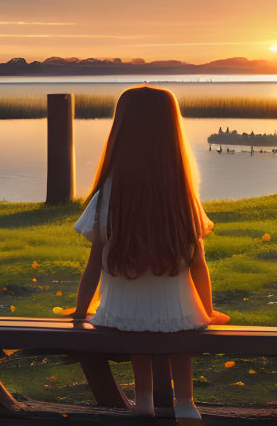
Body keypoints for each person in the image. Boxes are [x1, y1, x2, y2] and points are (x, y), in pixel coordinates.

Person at [71, 85, 227, 425]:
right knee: (178, 336)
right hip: (180, 315)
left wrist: (81, 311)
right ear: (171, 130)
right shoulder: (180, 196)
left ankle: (143, 402)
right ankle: (185, 403)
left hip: (121, 314)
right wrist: (208, 311)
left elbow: (94, 263)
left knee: (140, 339)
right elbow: (198, 263)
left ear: (121, 129)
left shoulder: (106, 196)